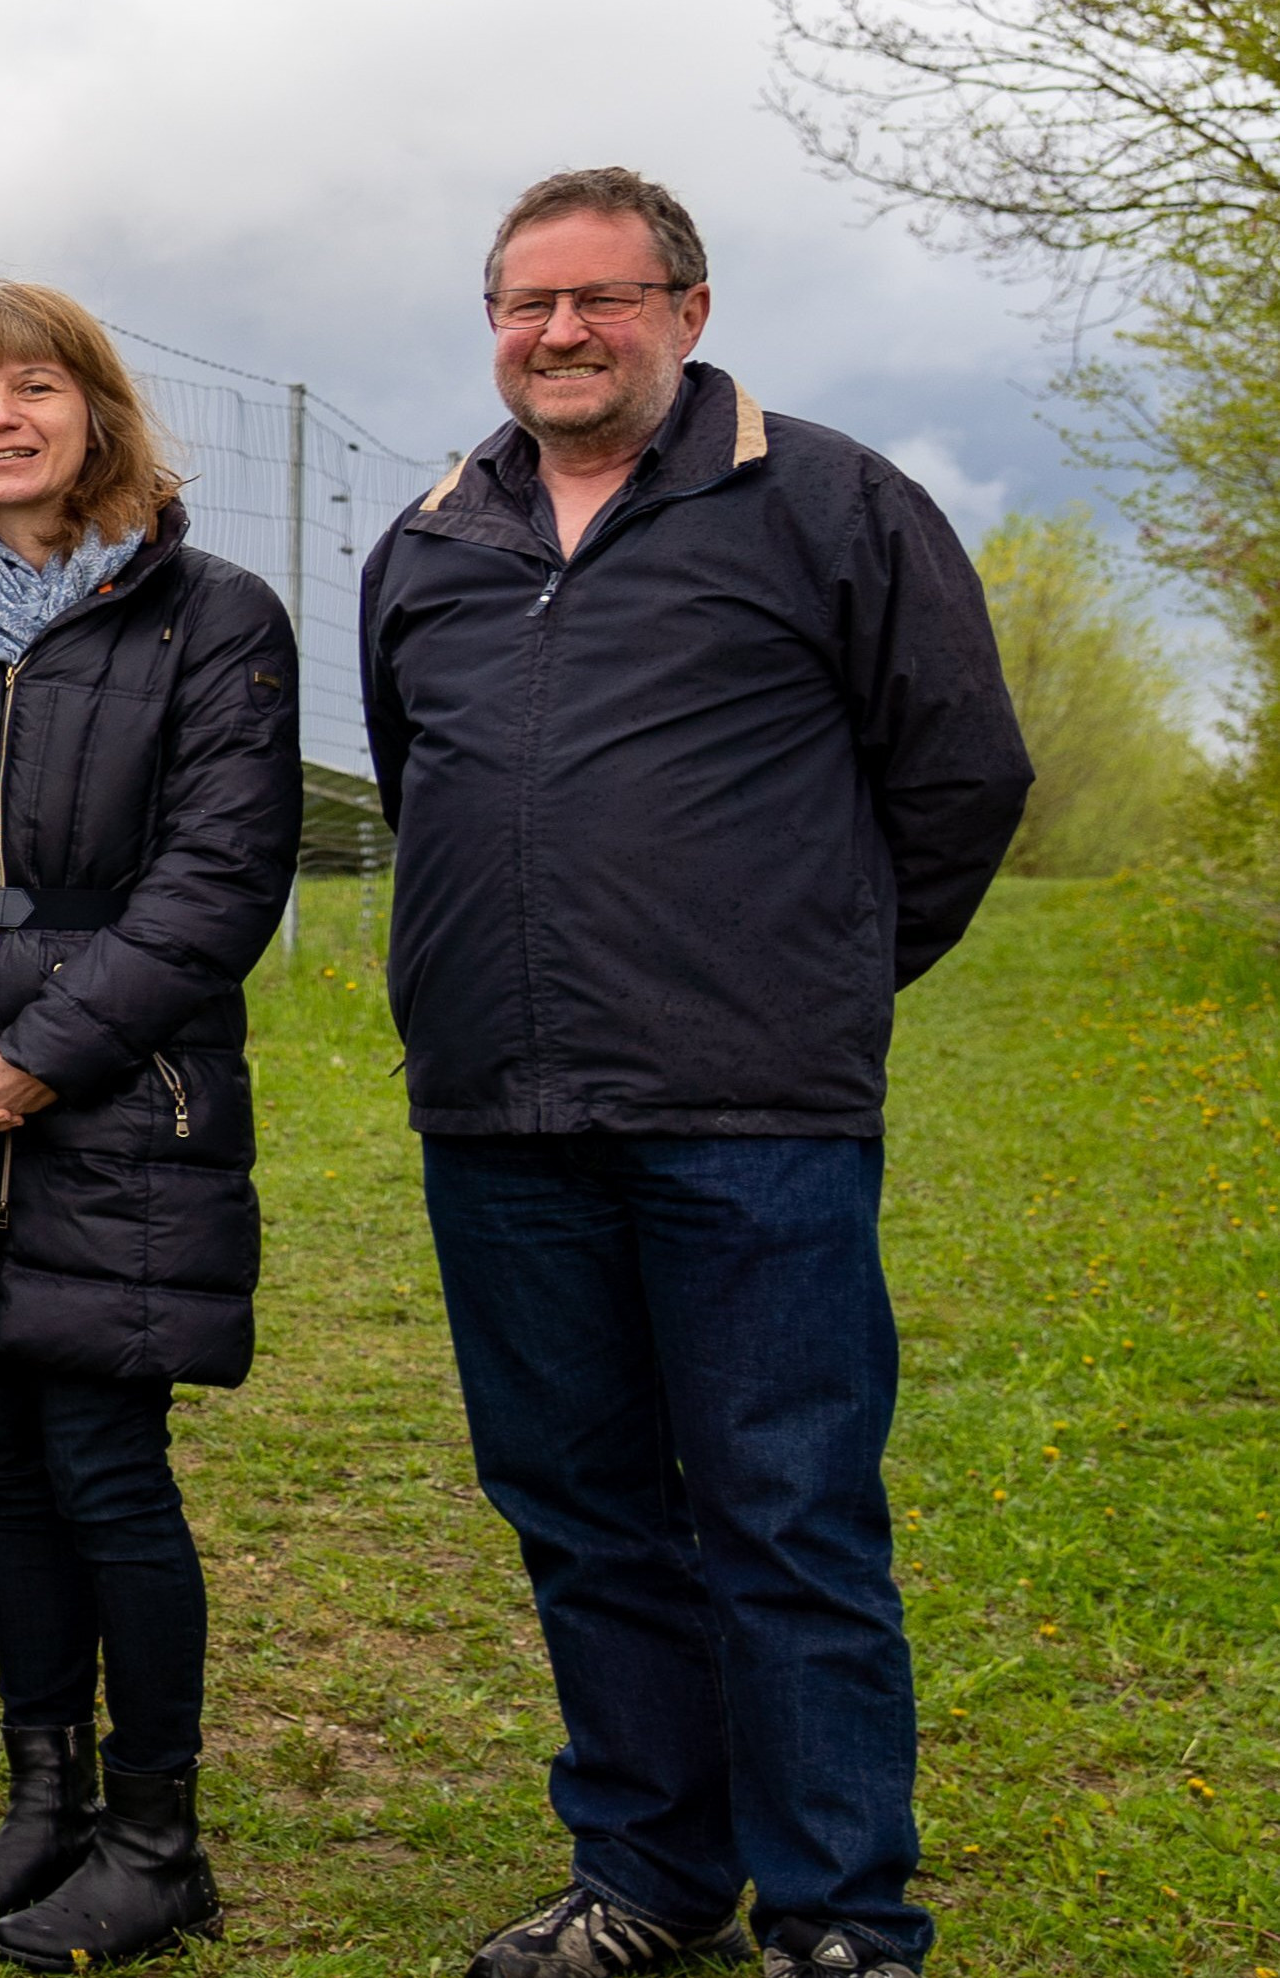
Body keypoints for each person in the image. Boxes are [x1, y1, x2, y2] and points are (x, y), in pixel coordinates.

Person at [366, 169, 1027, 1978]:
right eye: (526, 302)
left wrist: (806, 977)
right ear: (490, 320)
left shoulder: (825, 503)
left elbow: (957, 781)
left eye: (603, 296)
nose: (561, 332)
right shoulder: (429, 540)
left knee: (784, 1511)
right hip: (498, 1115)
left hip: (753, 1121)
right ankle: (648, 1874)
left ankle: (837, 1913)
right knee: (578, 1512)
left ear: (691, 307)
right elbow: (420, 793)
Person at [0, 278, 298, 1964]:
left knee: (105, 1464)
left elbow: (215, 883)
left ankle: (155, 1835)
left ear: (96, 408)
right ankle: (43, 1802)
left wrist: (40, 1050)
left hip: (118, 1102)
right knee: (5, 1468)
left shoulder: (213, 616)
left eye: (32, 387)